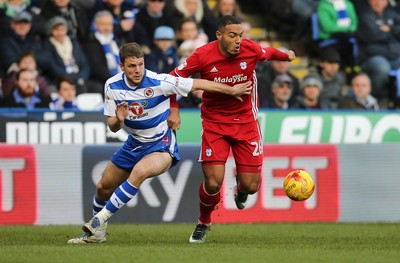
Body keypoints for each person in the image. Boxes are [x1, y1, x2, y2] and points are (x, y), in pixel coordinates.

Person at [66, 42, 252, 244]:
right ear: (122, 66)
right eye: (131, 66)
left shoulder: (159, 81)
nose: (137, 70)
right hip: (134, 143)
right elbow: (112, 126)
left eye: (140, 64)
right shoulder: (112, 86)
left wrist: (231, 90)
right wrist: (119, 119)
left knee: (139, 172)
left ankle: (98, 221)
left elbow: (198, 84)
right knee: (103, 186)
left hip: (161, 145)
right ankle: (97, 236)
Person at [171, 15, 295, 243]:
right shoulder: (202, 55)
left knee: (251, 185)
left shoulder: (250, 49)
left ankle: (242, 191)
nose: (238, 40)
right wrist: (174, 109)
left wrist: (285, 55)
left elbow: (268, 52)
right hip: (214, 124)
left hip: (246, 123)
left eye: (240, 35)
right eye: (232, 35)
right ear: (219, 36)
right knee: (213, 182)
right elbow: (172, 79)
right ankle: (203, 222)